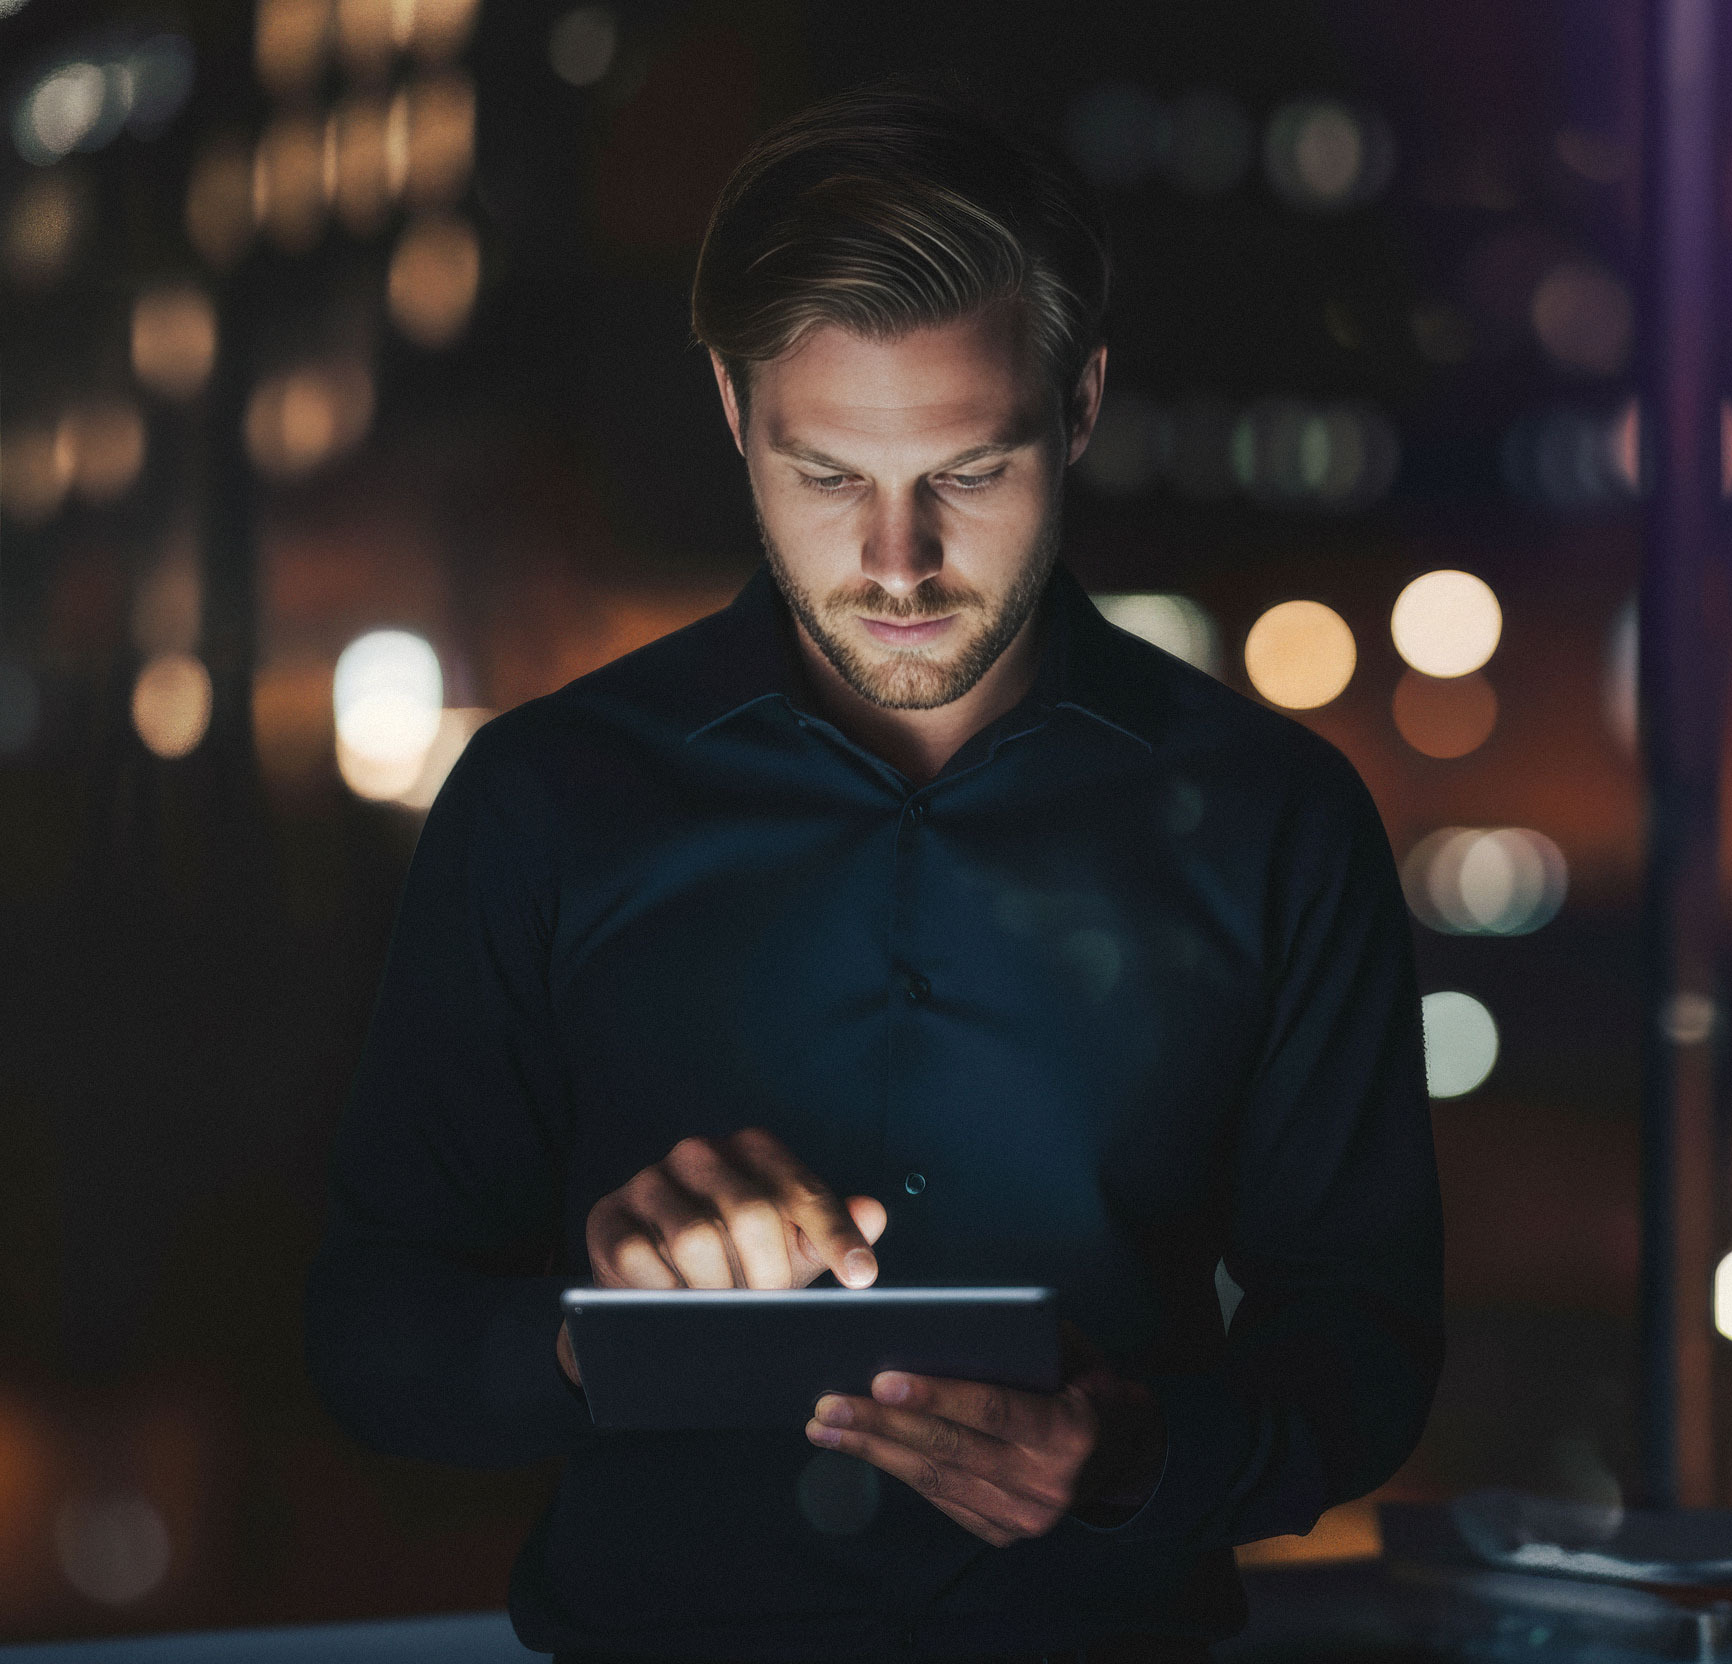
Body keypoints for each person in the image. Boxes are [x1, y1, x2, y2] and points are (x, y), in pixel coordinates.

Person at [304, 85, 1444, 1664]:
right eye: (829, 475)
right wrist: (597, 1333)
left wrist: (1136, 1456)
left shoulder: (1278, 821)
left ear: (1081, 404)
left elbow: (1367, 1338)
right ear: (732, 407)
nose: (899, 565)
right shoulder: (543, 801)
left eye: (968, 473)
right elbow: (371, 1330)